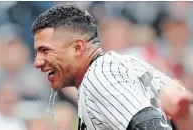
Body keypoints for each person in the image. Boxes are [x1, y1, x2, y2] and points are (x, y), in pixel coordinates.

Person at [32, 3, 176, 130]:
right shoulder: (123, 64)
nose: (38, 62)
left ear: (77, 48)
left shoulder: (99, 76)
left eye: (46, 51)